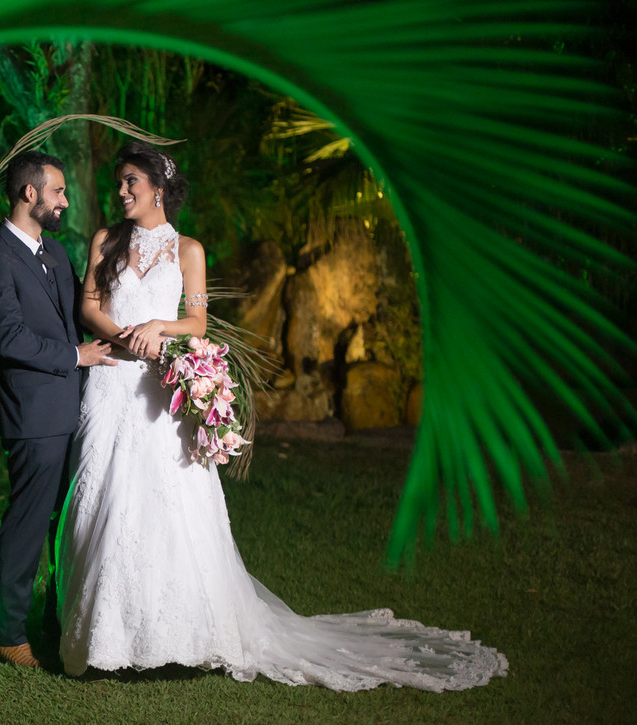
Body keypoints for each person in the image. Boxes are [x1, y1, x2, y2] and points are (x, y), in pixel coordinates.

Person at [56, 141, 508, 691]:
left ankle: (177, 636)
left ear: (157, 187)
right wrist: (126, 335)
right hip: (111, 381)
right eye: (120, 183)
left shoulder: (188, 251)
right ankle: (102, 636)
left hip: (160, 386)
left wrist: (161, 329)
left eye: (130, 182)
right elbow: (88, 306)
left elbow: (196, 325)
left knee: (166, 502)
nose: (121, 192)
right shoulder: (106, 240)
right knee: (102, 497)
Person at [0, 151, 114, 668]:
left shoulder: (54, 252)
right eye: (57, 192)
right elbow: (10, 339)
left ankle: (56, 623)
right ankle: (6, 634)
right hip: (32, 414)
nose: (65, 201)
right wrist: (76, 356)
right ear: (29, 194)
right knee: (29, 522)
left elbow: (78, 317)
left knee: (65, 524)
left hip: (76, 407)